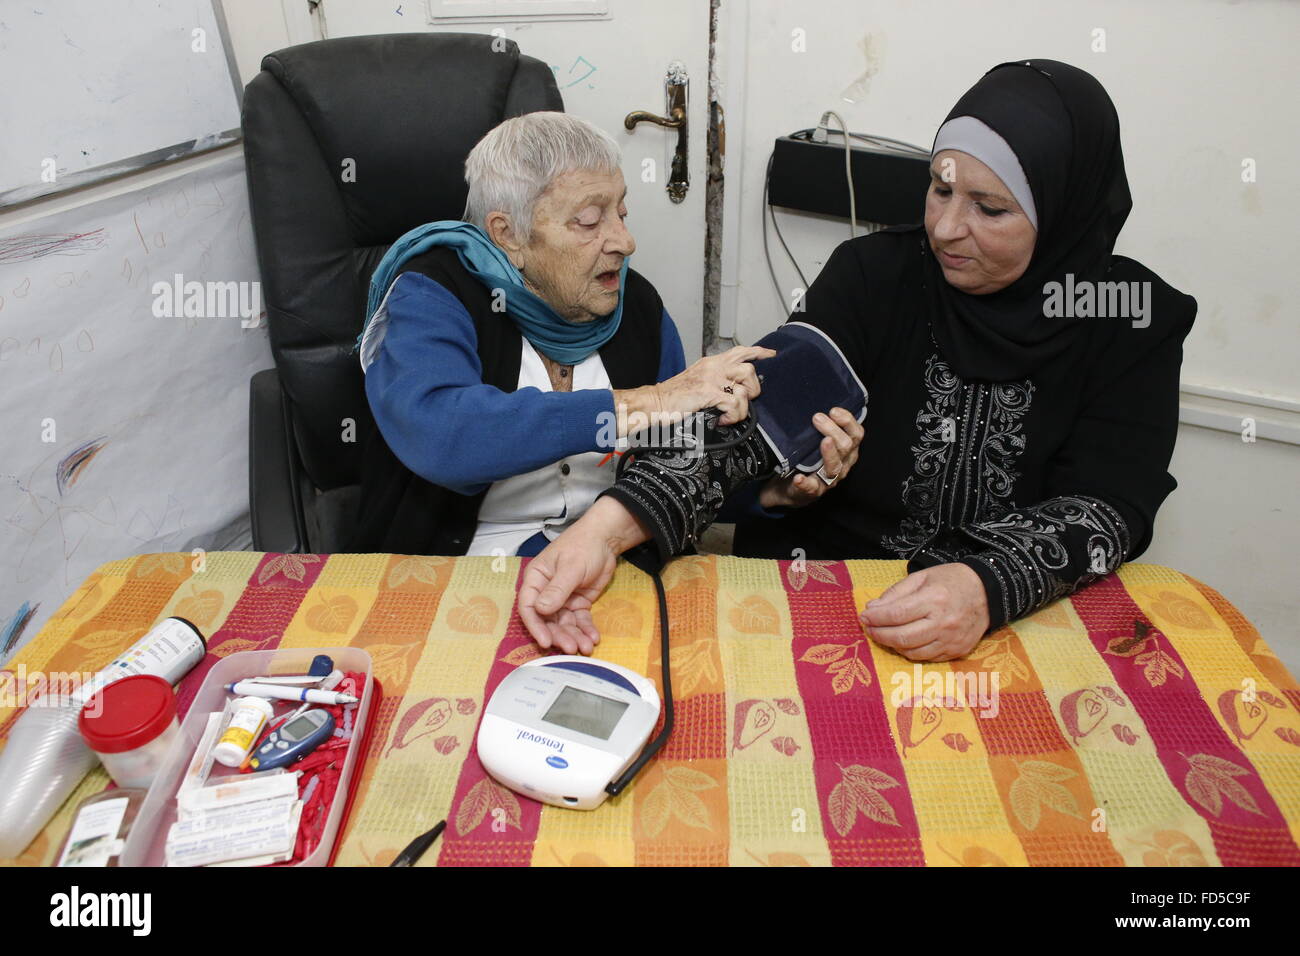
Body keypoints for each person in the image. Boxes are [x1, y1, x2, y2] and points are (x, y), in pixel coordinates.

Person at [515, 60, 1196, 663]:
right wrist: (606, 529)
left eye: (989, 208)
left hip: (1015, 607)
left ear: (1065, 213)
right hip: (831, 589)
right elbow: (755, 408)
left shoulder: (1124, 313)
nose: (947, 228)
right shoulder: (878, 276)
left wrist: (987, 586)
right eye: (939, 188)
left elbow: (1109, 505)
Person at [347, 112, 860, 556]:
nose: (624, 240)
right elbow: (444, 436)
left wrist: (772, 496)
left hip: (609, 559)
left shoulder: (636, 307)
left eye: (621, 212)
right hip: (458, 568)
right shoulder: (433, 294)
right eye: (590, 221)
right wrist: (652, 400)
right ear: (508, 235)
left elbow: (676, 456)